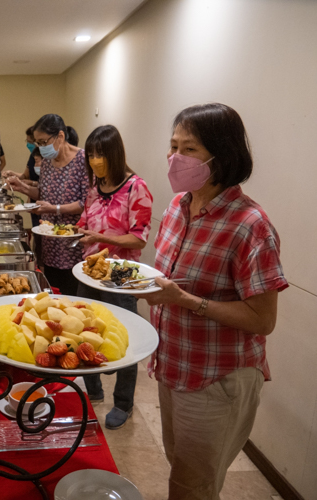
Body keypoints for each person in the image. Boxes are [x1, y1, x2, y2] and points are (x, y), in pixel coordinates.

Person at [138, 103, 288, 499]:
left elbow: (262, 320)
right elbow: (168, 279)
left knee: (193, 486)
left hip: (216, 376)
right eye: (172, 147)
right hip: (173, 363)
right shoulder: (177, 207)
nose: (174, 159)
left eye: (188, 149)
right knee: (181, 466)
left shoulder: (250, 225)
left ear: (222, 155)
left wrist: (186, 300)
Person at [76, 125, 153, 429]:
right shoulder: (95, 188)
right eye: (91, 154)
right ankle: (93, 389)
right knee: (85, 330)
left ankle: (123, 402)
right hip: (88, 270)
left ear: (115, 154)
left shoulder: (136, 187)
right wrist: (77, 231)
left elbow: (140, 238)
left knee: (125, 335)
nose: (95, 160)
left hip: (121, 272)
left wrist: (103, 238)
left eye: (101, 154)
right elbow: (86, 220)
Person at [8, 114, 88, 295]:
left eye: (44, 142)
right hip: (50, 242)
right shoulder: (46, 163)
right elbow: (43, 194)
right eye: (38, 143)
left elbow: (85, 203)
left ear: (60, 136)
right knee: (53, 292)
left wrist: (55, 209)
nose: (41, 148)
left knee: (73, 295)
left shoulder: (82, 160)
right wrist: (22, 187)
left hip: (73, 243)